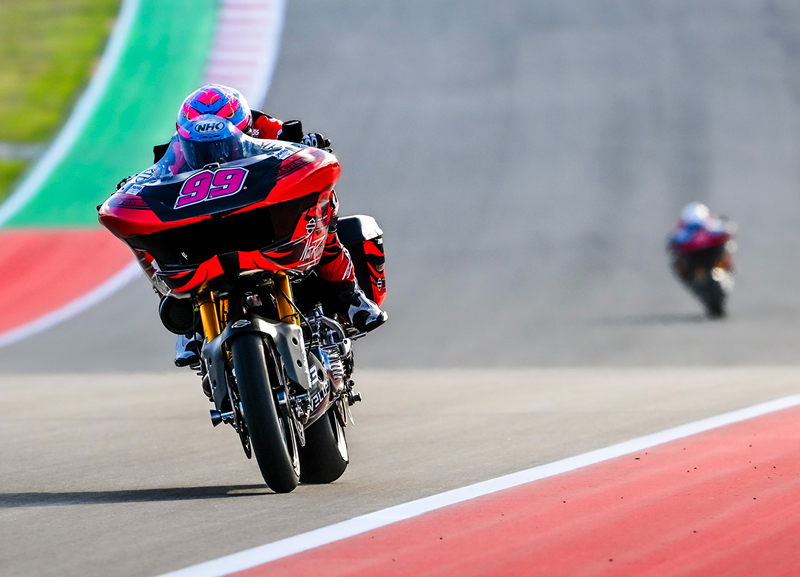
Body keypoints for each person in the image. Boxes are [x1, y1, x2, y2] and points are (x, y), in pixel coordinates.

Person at [145, 84, 387, 366]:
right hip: (209, 229)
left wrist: (308, 144)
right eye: (200, 147)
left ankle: (350, 295)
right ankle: (190, 322)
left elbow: (294, 145)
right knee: (158, 241)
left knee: (321, 208)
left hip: (260, 215)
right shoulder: (175, 151)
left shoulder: (265, 127)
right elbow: (157, 178)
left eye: (223, 144)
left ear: (245, 128)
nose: (214, 154)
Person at [667, 202, 735, 284]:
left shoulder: (713, 229)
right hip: (695, 266)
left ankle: (728, 270)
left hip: (713, 262)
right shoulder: (682, 236)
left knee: (727, 249)